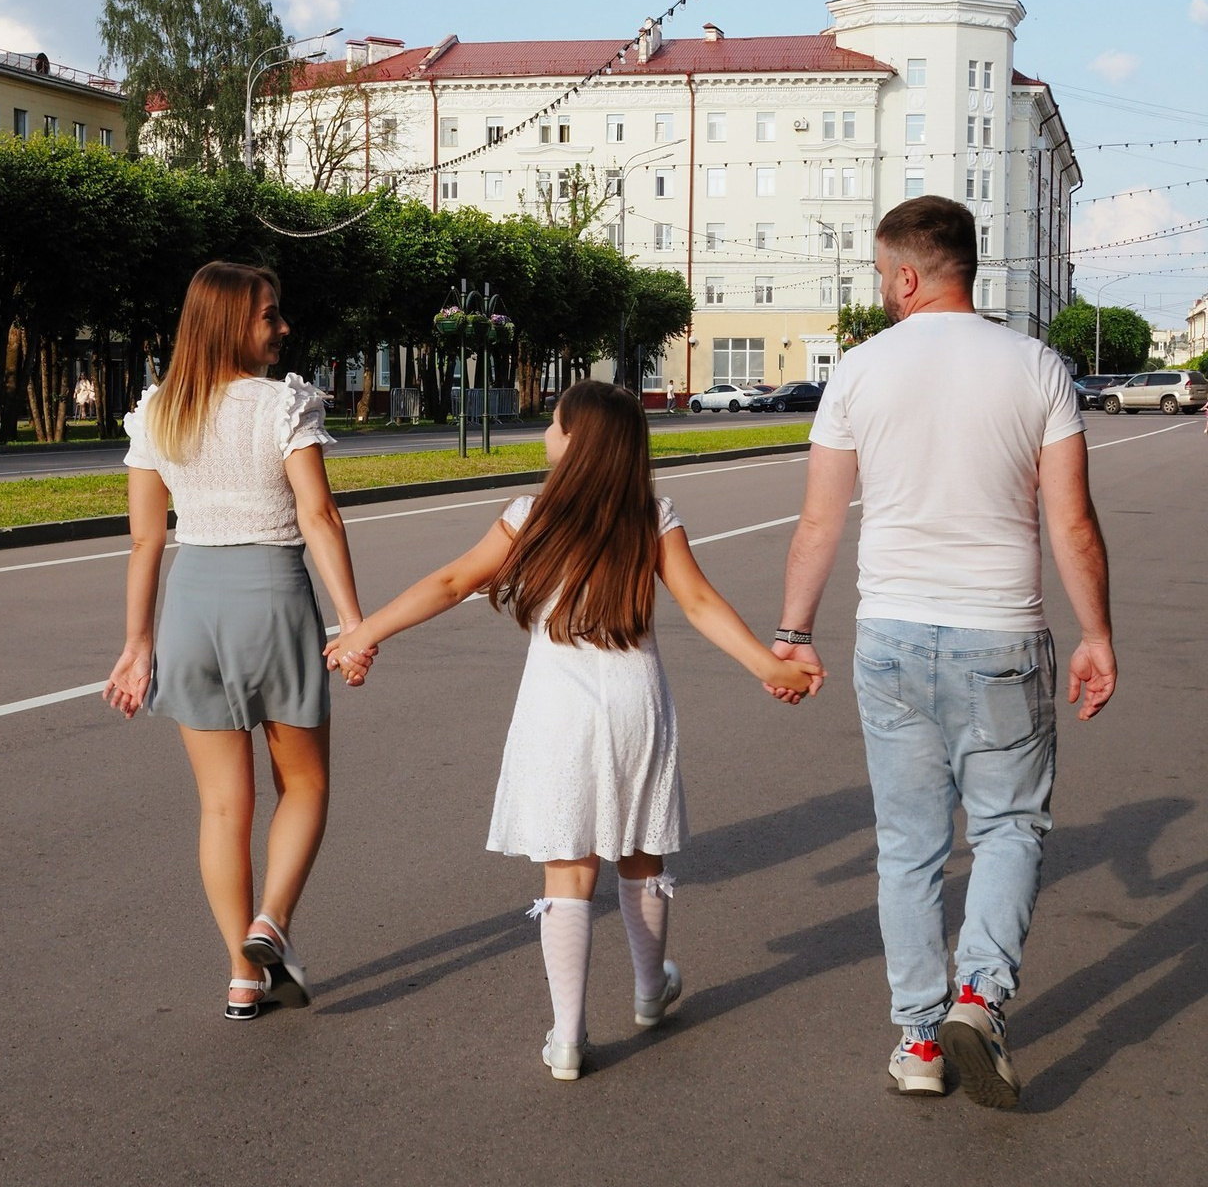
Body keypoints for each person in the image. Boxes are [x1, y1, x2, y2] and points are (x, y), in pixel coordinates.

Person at [326, 379, 817, 1080]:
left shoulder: (530, 516)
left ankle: (566, 1037)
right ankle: (650, 993)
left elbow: (450, 582)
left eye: (554, 423)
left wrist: (363, 634)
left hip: (556, 707)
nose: (545, 433)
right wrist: (769, 666)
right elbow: (703, 604)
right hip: (635, 701)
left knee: (569, 863)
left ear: (578, 443)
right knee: (640, 854)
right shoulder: (652, 515)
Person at [770, 196, 1116, 1108]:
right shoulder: (1037, 366)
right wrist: (1097, 636)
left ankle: (920, 1041)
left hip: (889, 637)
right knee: (1008, 828)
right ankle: (979, 998)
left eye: (883, 276)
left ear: (910, 274)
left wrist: (793, 634)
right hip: (1001, 631)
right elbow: (1070, 517)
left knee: (908, 847)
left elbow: (819, 520)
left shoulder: (857, 371)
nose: (882, 291)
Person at [103, 261, 368, 1022]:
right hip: (273, 601)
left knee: (223, 808)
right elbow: (319, 519)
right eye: (269, 316)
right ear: (230, 324)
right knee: (306, 786)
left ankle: (241, 977)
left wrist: (137, 644)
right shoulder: (284, 405)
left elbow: (145, 542)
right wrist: (353, 624)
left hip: (192, 609)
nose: (282, 328)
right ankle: (270, 924)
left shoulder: (158, 413)